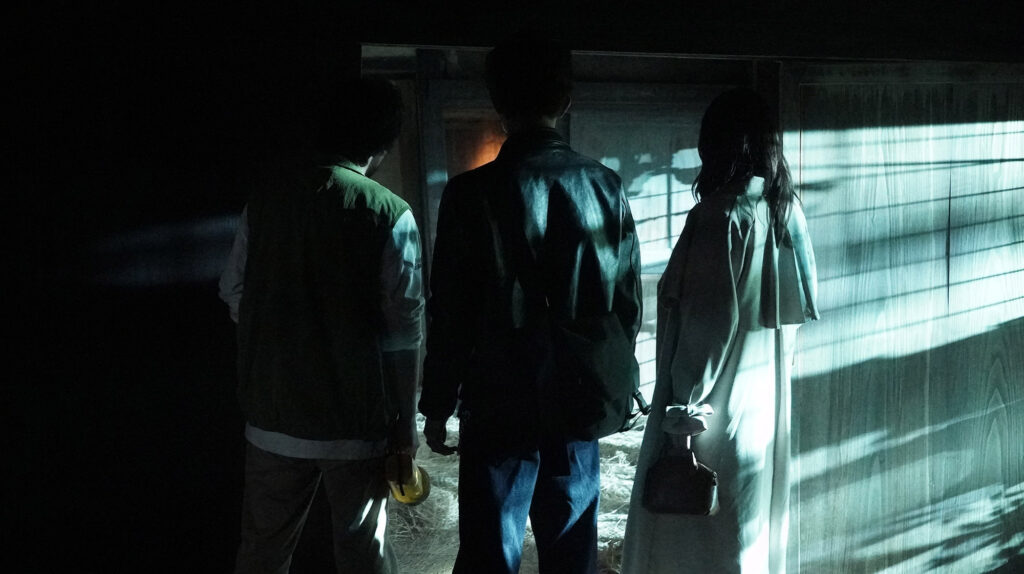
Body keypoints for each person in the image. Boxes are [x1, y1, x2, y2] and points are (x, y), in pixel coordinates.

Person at [417, 34, 642, 574]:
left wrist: (437, 402)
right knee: (572, 546)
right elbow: (626, 306)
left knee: (490, 547)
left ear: (498, 102)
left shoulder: (468, 194)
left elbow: (450, 311)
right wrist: (614, 375)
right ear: (566, 100)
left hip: (497, 395)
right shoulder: (604, 185)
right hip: (577, 391)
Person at [218, 77, 423, 574]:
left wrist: (279, 340)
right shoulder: (389, 212)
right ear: (381, 143)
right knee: (363, 553)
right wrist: (405, 422)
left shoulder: (265, 202)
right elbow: (404, 330)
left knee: (263, 551)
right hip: (355, 423)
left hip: (272, 418)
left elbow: (233, 291)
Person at [620, 88, 820, 574]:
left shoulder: (720, 216)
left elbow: (706, 327)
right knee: (745, 533)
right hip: (762, 404)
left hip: (713, 413)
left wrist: (680, 419)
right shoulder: (785, 213)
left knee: (695, 540)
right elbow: (797, 314)